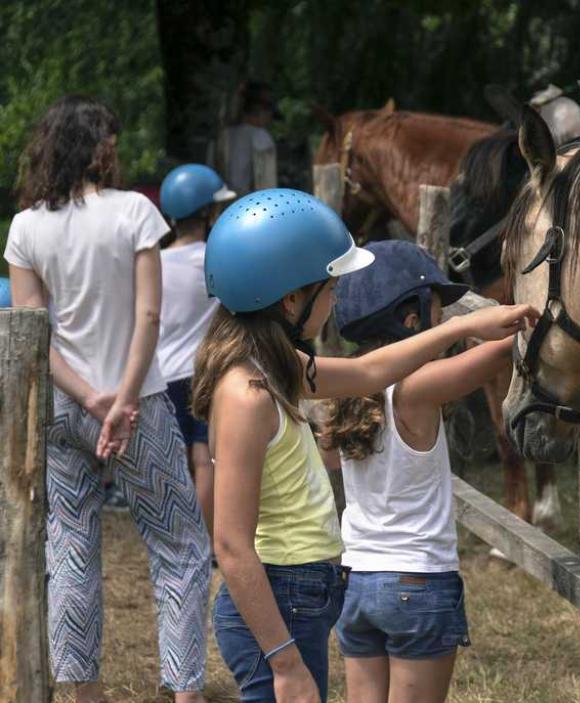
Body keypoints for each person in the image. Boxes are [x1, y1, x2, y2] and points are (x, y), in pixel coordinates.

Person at [195, 188, 536, 703]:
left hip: (302, 594)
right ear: (291, 300)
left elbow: (369, 371)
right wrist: (284, 663)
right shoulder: (249, 395)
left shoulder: (276, 367)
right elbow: (230, 544)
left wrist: (466, 325)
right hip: (281, 598)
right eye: (329, 288)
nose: (335, 301)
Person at [4, 95, 210, 703]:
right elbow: (149, 316)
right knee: (181, 545)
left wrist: (92, 399)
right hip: (138, 402)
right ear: (97, 149)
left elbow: (32, 332)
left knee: (69, 545)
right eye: (111, 141)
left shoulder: (26, 227)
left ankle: (84, 696)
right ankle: (185, 691)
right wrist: (122, 398)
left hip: (66, 408)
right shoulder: (135, 213)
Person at [320, 240, 519, 703]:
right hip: (417, 581)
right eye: (436, 309)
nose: (442, 318)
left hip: (359, 581)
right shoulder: (416, 388)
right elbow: (503, 352)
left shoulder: (348, 390)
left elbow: (329, 457)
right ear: (410, 320)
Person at [158, 163, 236, 540]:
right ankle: (206, 541)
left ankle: (177, 538)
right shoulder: (215, 258)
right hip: (206, 371)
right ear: (206, 211)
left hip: (163, 374)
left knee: (174, 461)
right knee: (205, 458)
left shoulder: (153, 262)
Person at [217, 80, 279, 196]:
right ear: (260, 111)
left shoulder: (225, 135)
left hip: (224, 199)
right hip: (249, 201)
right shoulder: (261, 136)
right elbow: (267, 182)